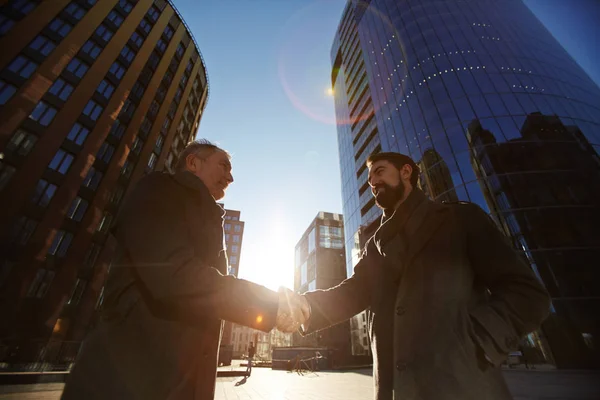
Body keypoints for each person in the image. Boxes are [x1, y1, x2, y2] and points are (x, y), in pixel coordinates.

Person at [278, 152, 550, 400]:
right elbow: (353, 292)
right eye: (371, 176)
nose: (373, 181)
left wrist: (476, 341)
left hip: (464, 387)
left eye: (380, 171)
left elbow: (527, 293)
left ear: (406, 172)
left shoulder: (460, 218)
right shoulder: (374, 246)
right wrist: (306, 307)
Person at [62, 140, 307, 400]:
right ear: (193, 162)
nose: (231, 177)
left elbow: (211, 297)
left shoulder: (211, 219)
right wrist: (270, 303)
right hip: (123, 382)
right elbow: (175, 275)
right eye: (224, 166)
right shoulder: (157, 189)